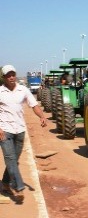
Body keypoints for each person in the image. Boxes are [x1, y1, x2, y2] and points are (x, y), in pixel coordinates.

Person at [0, 65, 47, 203]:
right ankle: (18, 186)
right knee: (10, 158)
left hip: (20, 131)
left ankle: (4, 183)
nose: (11, 77)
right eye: (8, 75)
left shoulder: (23, 90)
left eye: (13, 74)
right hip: (5, 130)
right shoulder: (0, 92)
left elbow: (34, 105)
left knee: (14, 160)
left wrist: (42, 116)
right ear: (4, 77)